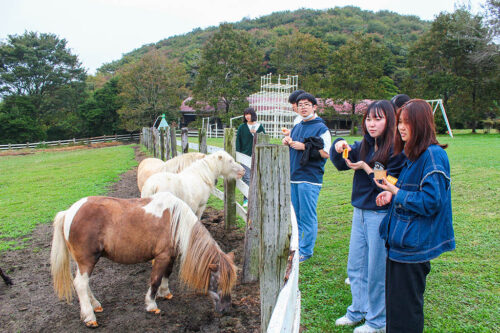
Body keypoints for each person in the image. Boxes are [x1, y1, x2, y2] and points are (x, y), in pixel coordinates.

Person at [375, 99, 455, 333]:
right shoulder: (415, 154)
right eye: (399, 122)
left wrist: (396, 192)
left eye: (407, 122)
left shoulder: (433, 156)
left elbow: (431, 201)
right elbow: (414, 190)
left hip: (413, 248)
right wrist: (392, 196)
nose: (401, 127)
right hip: (400, 244)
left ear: (421, 124)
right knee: (397, 308)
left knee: (406, 312)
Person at [331, 100, 406, 333]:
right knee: (356, 265)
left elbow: (388, 183)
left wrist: (365, 166)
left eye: (378, 119)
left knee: (376, 270)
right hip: (360, 213)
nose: (372, 124)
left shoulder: (396, 148)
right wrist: (338, 146)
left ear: (389, 120)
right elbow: (343, 162)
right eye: (369, 119)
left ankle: (377, 321)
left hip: (380, 215)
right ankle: (358, 310)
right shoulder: (365, 143)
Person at [282, 93, 331, 263]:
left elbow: (326, 153)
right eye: (300, 104)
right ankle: (296, 247)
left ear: (314, 107)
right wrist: (288, 141)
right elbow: (293, 146)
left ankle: (306, 251)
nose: (303, 107)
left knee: (307, 216)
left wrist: (304, 147)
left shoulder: (321, 128)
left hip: (309, 178)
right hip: (294, 176)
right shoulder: (297, 126)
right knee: (295, 217)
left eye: (307, 104)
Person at [236, 107, 265, 207]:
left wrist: (256, 134)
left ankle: (257, 199)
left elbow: (265, 140)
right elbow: (238, 141)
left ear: (253, 115)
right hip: (244, 155)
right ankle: (246, 199)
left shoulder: (259, 126)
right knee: (247, 177)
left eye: (249, 114)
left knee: (257, 177)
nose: (247, 116)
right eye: (245, 114)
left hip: (257, 155)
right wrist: (238, 155)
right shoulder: (242, 127)